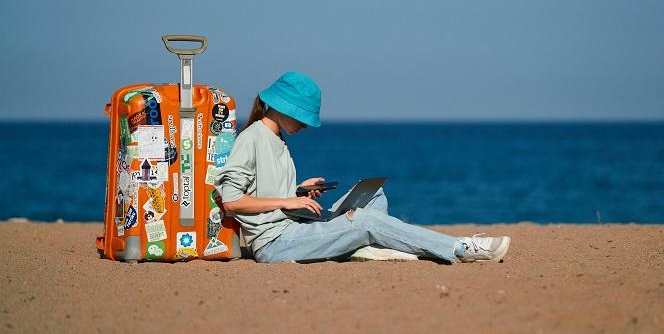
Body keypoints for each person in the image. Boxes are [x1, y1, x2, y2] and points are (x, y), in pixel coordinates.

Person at [214, 71, 511, 263]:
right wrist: (288, 200)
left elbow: (261, 189)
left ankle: (359, 248)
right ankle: (461, 248)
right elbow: (232, 201)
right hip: (276, 242)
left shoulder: (276, 138)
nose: (304, 125)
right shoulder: (251, 138)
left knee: (373, 195)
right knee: (366, 222)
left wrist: (299, 190)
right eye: (301, 117)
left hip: (296, 225)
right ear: (281, 107)